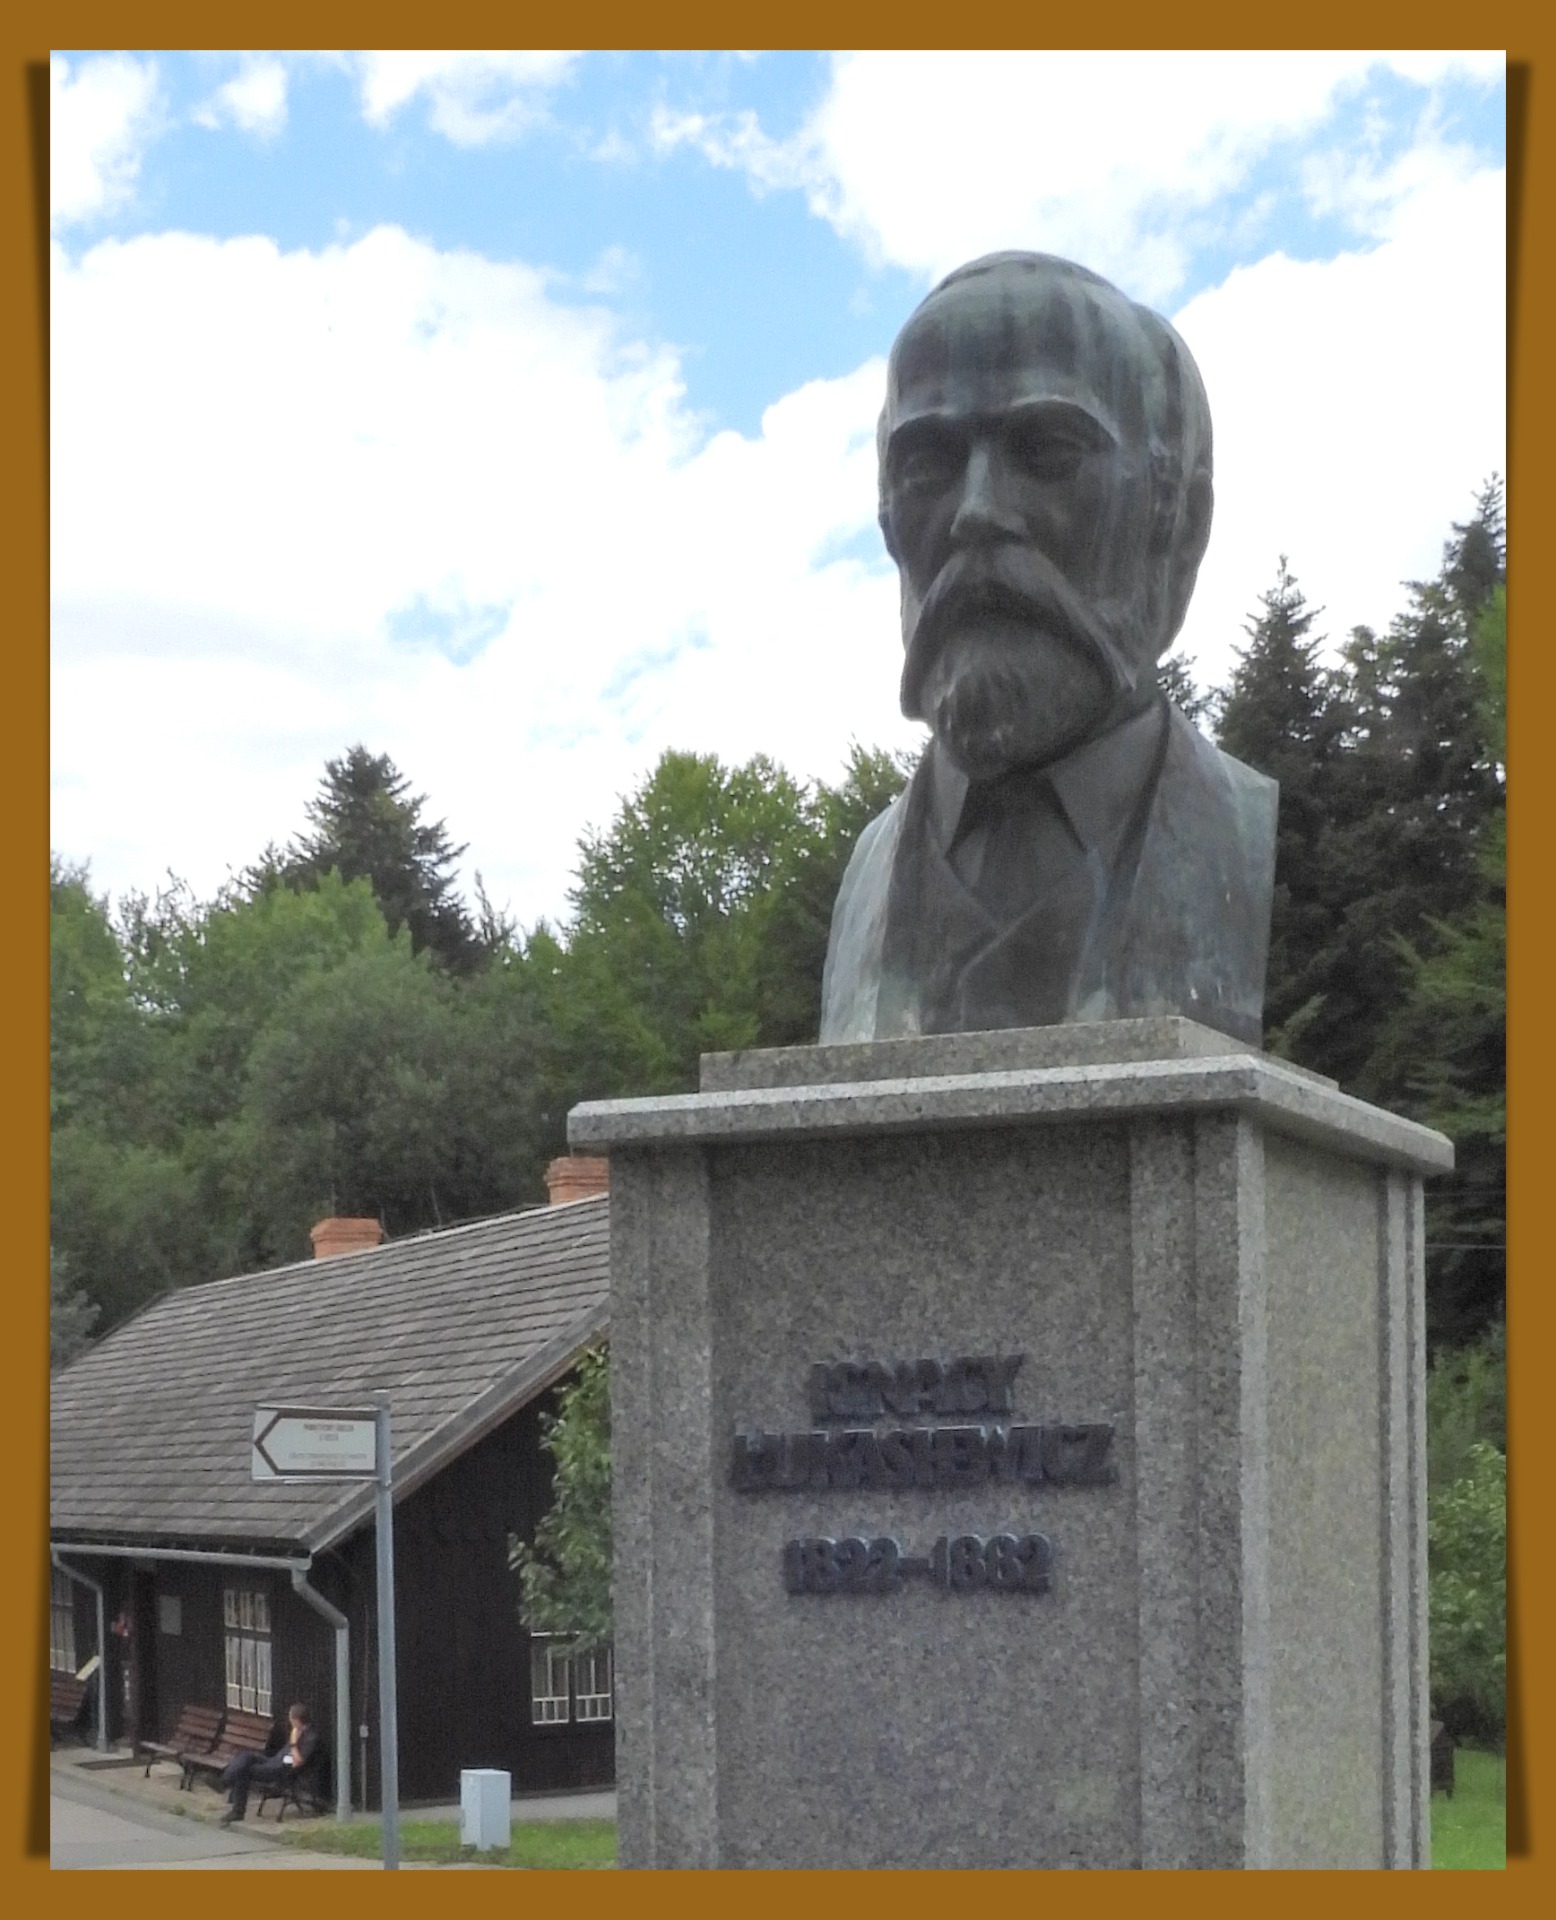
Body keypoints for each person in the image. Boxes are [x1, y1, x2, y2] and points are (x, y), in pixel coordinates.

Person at [820, 251, 1277, 1047]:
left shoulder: (1252, 842)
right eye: (927, 466)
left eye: (1050, 453)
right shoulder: (865, 876)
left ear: (1178, 515)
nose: (976, 512)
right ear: (888, 519)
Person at [218, 1701, 318, 1824]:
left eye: (291, 1718)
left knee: (243, 1771)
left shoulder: (310, 1737)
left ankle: (237, 1810)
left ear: (297, 1720)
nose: (289, 1721)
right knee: (245, 1756)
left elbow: (298, 1762)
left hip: (282, 1770)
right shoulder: (297, 1731)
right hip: (274, 1761)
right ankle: (223, 1781)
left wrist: (293, 1743)